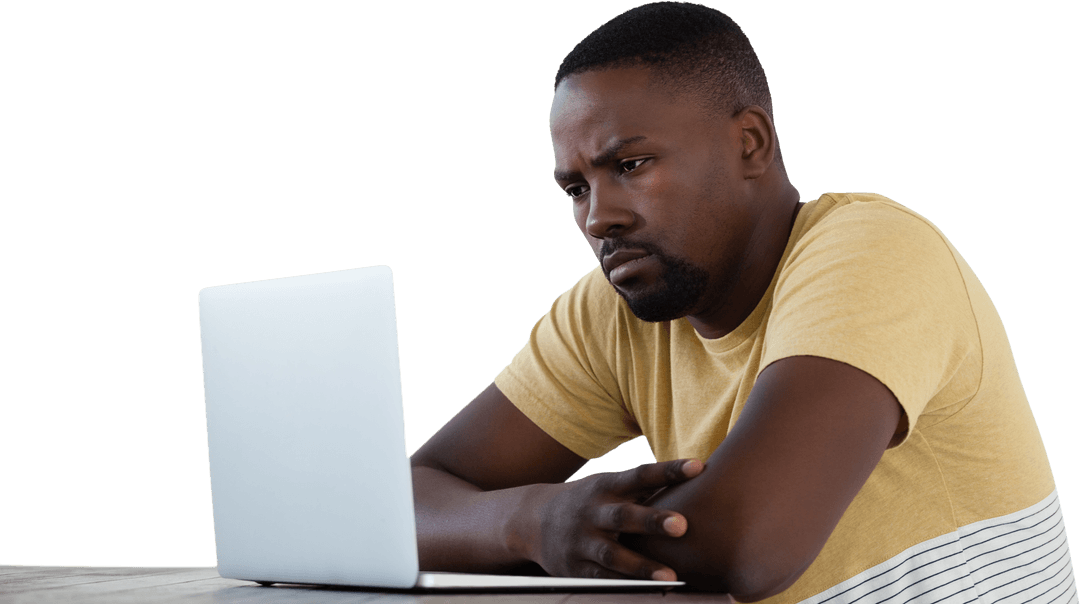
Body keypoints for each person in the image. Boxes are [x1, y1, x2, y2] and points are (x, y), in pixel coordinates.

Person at [409, 3, 1075, 602]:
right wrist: (533, 522)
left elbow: (747, 542)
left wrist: (538, 530)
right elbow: (410, 500)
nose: (597, 218)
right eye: (574, 188)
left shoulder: (876, 251)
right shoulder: (611, 313)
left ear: (749, 143)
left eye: (631, 165)